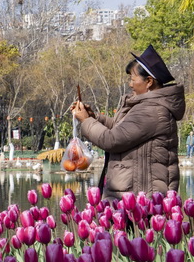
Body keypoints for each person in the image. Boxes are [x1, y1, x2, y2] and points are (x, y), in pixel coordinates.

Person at [72, 44, 185, 200]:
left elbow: (113, 139)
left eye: (133, 79)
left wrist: (85, 121)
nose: (130, 84)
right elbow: (123, 130)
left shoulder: (151, 110)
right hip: (134, 193)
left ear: (149, 81)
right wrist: (93, 118)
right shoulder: (148, 106)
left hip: (140, 199)